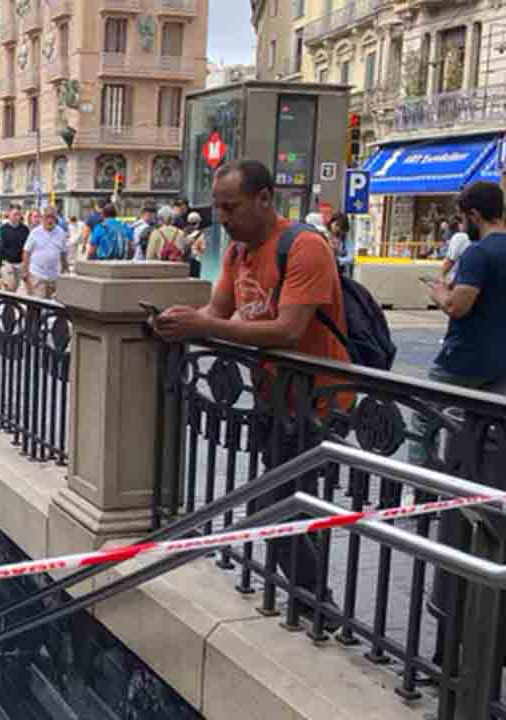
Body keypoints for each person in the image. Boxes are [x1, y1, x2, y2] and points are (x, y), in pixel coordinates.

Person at [154, 160, 348, 614]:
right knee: (290, 507)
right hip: (273, 399)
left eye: (231, 207)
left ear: (264, 199)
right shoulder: (237, 252)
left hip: (319, 402)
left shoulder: (305, 247)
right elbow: (217, 313)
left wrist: (204, 326)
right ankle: (308, 602)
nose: (222, 218)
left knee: (272, 506)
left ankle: (317, 606)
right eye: (218, 207)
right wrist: (180, 321)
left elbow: (287, 330)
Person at [421, 181, 506, 401]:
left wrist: (439, 293)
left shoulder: (478, 253)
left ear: (474, 215)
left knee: (426, 416)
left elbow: (456, 307)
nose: (462, 227)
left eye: (462, 219)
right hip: (502, 363)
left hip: (463, 360)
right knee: (482, 420)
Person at [22, 207, 69, 299]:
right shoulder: (35, 233)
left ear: (56, 219)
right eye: (47, 217)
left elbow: (63, 253)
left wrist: (65, 268)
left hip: (53, 277)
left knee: (50, 304)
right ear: (43, 218)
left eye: (52, 217)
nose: (50, 220)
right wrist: (25, 272)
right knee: (38, 302)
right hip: (37, 275)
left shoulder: (61, 233)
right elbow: (26, 252)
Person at [0, 207, 29, 292]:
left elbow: (26, 247)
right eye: (15, 214)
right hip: (7, 263)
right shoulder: (3, 229)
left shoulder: (25, 230)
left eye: (18, 214)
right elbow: (0, 247)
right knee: (10, 287)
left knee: (15, 288)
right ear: (9, 215)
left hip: (19, 263)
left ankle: (8, 300)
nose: (17, 217)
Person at [440, 217, 471, 286]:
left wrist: (442, 276)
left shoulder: (459, 236)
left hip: (457, 279)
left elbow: (450, 260)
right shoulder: (462, 236)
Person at [327, 213, 353, 278]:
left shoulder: (345, 238)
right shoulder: (324, 235)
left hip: (339, 272)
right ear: (331, 223)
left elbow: (350, 257)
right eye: (336, 225)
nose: (337, 228)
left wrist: (338, 260)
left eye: (340, 227)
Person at [184, 211, 207, 278]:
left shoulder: (183, 232)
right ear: (197, 223)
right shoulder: (200, 235)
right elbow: (202, 249)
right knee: (195, 281)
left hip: (185, 261)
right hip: (195, 260)